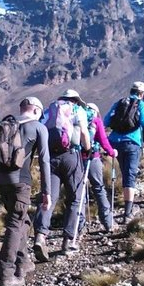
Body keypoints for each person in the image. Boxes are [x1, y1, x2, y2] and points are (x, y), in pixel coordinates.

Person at [0, 97, 51, 286]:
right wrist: (47, 192)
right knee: (15, 223)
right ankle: (6, 274)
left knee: (21, 220)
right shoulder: (38, 127)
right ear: (36, 111)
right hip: (19, 182)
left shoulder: (5, 125)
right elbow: (45, 161)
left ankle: (24, 261)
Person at [32, 89, 91, 259]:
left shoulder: (50, 109)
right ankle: (68, 240)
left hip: (50, 157)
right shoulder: (77, 110)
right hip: (71, 156)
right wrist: (87, 150)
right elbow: (84, 134)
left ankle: (40, 236)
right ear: (75, 100)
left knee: (48, 196)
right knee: (75, 198)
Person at [104, 81, 144, 224]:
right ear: (142, 93)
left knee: (123, 172)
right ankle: (127, 213)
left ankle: (111, 207)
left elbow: (106, 120)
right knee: (130, 175)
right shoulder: (141, 104)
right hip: (132, 143)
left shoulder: (119, 102)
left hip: (115, 142)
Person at [85, 103, 117, 232]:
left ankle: (79, 226)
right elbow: (103, 140)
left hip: (77, 159)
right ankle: (108, 222)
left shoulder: (76, 118)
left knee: (78, 192)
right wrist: (112, 152)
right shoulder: (96, 121)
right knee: (98, 188)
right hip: (93, 158)